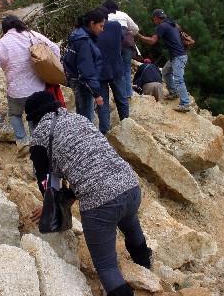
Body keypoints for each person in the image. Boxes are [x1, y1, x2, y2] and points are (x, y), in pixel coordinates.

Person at [25, 91, 152, 296]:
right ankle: (146, 268)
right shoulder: (79, 119)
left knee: (106, 266)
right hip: (130, 185)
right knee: (130, 223)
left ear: (34, 119)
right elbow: (88, 164)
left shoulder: (40, 137)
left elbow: (47, 182)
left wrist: (51, 207)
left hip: (101, 203)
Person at [0, 15, 60, 156]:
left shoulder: (0, 44)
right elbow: (55, 49)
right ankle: (38, 146)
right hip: (37, 89)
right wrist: (49, 68)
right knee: (34, 117)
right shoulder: (32, 35)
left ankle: (22, 142)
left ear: (4, 29)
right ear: (19, 24)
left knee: (14, 115)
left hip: (15, 92)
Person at [136, 9, 191, 112]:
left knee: (178, 79)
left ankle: (185, 103)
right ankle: (173, 92)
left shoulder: (161, 26)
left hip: (178, 57)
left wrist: (139, 36)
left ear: (156, 18)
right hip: (178, 55)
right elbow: (180, 31)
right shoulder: (172, 24)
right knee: (165, 72)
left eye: (154, 19)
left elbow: (152, 41)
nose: (154, 21)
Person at [64, 9, 106, 122]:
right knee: (86, 120)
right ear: (92, 23)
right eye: (101, 26)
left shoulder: (77, 35)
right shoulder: (83, 41)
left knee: (82, 117)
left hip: (77, 82)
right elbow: (86, 69)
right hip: (83, 85)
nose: (102, 30)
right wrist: (96, 94)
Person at [96, 17, 129, 134]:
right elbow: (121, 40)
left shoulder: (93, 29)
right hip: (116, 68)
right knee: (122, 99)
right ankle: (127, 126)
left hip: (100, 71)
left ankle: (105, 131)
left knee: (102, 103)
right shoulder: (116, 26)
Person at [102, 0, 140, 98]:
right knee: (126, 69)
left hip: (113, 45)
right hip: (127, 43)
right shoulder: (123, 14)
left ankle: (119, 94)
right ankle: (128, 93)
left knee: (116, 69)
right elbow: (136, 29)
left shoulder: (105, 17)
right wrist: (130, 32)